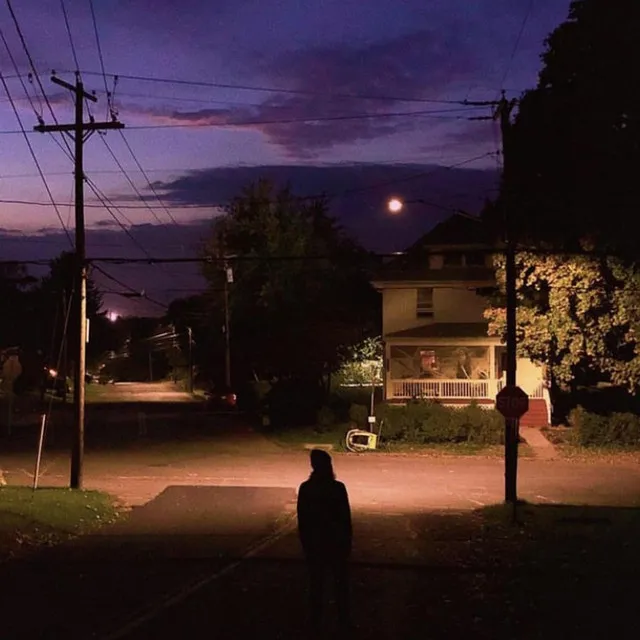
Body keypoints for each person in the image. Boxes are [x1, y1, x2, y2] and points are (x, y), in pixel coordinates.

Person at [297, 448, 353, 631]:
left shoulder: (307, 489)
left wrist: (305, 544)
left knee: (316, 586)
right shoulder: (337, 488)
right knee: (340, 586)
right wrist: (347, 543)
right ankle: (343, 622)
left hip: (315, 543)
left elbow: (303, 520)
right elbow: (345, 518)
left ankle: (315, 622)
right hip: (335, 542)